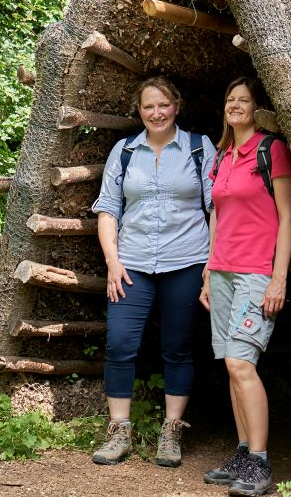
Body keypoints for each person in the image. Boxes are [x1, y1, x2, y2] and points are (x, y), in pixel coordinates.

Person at [88, 76, 216, 468]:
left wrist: (212, 265)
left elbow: (218, 209)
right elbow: (109, 208)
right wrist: (113, 262)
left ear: (176, 105)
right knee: (119, 343)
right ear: (139, 111)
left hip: (187, 260)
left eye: (163, 105)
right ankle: (119, 430)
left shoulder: (199, 147)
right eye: (148, 107)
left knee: (177, 346)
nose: (156, 113)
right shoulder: (124, 151)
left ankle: (172, 430)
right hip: (132, 264)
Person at [199, 76, 291, 497]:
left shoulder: (270, 150)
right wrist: (207, 269)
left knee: (242, 363)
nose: (235, 105)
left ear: (258, 108)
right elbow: (217, 217)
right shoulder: (222, 156)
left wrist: (278, 277)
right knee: (230, 366)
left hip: (257, 273)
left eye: (244, 100)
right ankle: (242, 452)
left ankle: (259, 461)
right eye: (230, 98)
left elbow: (288, 218)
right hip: (221, 271)